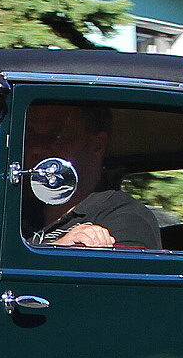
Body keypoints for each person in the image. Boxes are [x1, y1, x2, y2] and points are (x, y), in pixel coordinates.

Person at [24, 103, 160, 249]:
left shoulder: (127, 217)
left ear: (97, 146)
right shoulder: (19, 210)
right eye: (31, 135)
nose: (37, 148)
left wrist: (62, 249)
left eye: (58, 136)